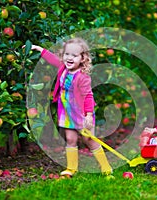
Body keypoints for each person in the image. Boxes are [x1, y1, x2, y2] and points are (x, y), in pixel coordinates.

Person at [27, 38, 112, 176]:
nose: (69, 58)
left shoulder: (83, 77)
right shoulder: (63, 69)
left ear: (82, 58)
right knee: (71, 140)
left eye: (74, 55)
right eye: (67, 54)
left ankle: (105, 167)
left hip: (82, 114)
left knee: (89, 140)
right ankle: (71, 168)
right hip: (66, 113)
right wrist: (39, 49)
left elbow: (88, 96)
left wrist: (89, 115)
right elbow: (52, 59)